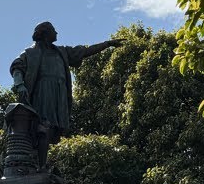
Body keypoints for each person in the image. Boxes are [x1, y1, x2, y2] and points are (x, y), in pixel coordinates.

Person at [9, 21, 123, 167]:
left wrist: (107, 44)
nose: (56, 33)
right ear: (45, 34)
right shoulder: (30, 53)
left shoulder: (61, 52)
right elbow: (16, 67)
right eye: (53, 30)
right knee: (43, 128)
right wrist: (20, 85)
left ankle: (40, 164)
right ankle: (39, 166)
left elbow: (84, 51)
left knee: (52, 129)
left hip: (59, 94)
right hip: (43, 93)